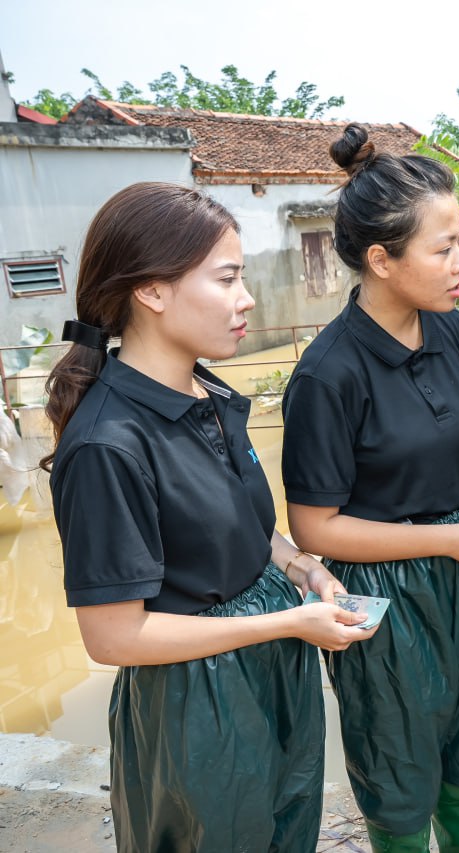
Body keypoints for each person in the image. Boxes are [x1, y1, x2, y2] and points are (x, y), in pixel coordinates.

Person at [44, 182, 374, 852]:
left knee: (289, 831)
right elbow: (113, 637)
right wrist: (289, 622)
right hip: (196, 701)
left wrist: (301, 566)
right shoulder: (109, 445)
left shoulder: (207, 391)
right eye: (227, 279)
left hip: (270, 669)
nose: (246, 298)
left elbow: (237, 523)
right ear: (152, 290)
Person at [280, 124, 459, 853]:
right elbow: (314, 528)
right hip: (386, 593)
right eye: (444, 249)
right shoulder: (328, 375)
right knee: (399, 770)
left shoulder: (453, 330)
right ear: (381, 259)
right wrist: (447, 541)